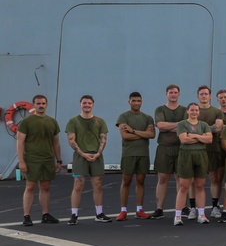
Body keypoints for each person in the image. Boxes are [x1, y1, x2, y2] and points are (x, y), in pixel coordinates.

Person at [17, 94, 63, 226]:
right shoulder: (26, 122)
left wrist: (59, 161)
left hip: (48, 159)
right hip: (32, 159)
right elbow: (20, 142)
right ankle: (26, 216)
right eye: (38, 103)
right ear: (34, 105)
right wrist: (21, 161)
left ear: (46, 105)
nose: (41, 106)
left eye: (43, 103)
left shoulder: (52, 122)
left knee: (45, 186)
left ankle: (45, 214)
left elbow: (56, 142)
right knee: (30, 186)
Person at [65, 95, 111, 224]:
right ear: (80, 104)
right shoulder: (73, 121)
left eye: (89, 103)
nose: (87, 105)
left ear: (93, 105)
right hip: (80, 157)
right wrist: (83, 154)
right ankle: (74, 215)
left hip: (96, 156)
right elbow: (71, 140)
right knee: (78, 185)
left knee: (98, 185)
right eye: (84, 103)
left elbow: (103, 139)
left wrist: (97, 153)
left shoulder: (100, 121)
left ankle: (99, 213)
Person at [116, 92, 156, 221]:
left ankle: (139, 209)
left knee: (140, 181)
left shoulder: (148, 118)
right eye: (134, 101)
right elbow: (125, 136)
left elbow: (151, 135)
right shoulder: (123, 117)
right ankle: (123, 210)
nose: (136, 103)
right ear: (129, 102)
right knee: (126, 181)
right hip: (128, 154)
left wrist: (133, 130)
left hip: (143, 154)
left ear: (142, 102)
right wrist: (143, 134)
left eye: (138, 101)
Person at [174, 103, 213, 226]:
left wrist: (195, 136)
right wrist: (202, 137)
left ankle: (201, 214)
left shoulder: (204, 125)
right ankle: (178, 216)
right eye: (192, 110)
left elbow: (210, 139)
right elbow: (184, 139)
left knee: (200, 185)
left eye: (196, 110)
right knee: (184, 186)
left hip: (201, 155)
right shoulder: (182, 124)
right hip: (186, 155)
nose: (194, 112)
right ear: (187, 111)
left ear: (199, 112)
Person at [152, 84, 186, 219]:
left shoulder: (184, 109)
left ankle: (182, 207)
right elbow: (160, 126)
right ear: (166, 94)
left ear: (179, 94)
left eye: (175, 92)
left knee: (180, 178)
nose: (173, 94)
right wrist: (178, 125)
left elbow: (187, 126)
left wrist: (169, 126)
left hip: (181, 147)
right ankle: (159, 208)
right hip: (164, 147)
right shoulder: (160, 109)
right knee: (162, 178)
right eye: (171, 92)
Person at [195, 86, 225, 219]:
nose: (204, 96)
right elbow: (189, 127)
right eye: (201, 94)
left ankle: (215, 206)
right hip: (196, 149)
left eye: (206, 94)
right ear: (198, 96)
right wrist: (209, 129)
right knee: (194, 180)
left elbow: (218, 128)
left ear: (210, 96)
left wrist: (199, 129)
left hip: (213, 149)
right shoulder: (194, 110)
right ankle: (192, 207)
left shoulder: (217, 111)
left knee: (215, 178)